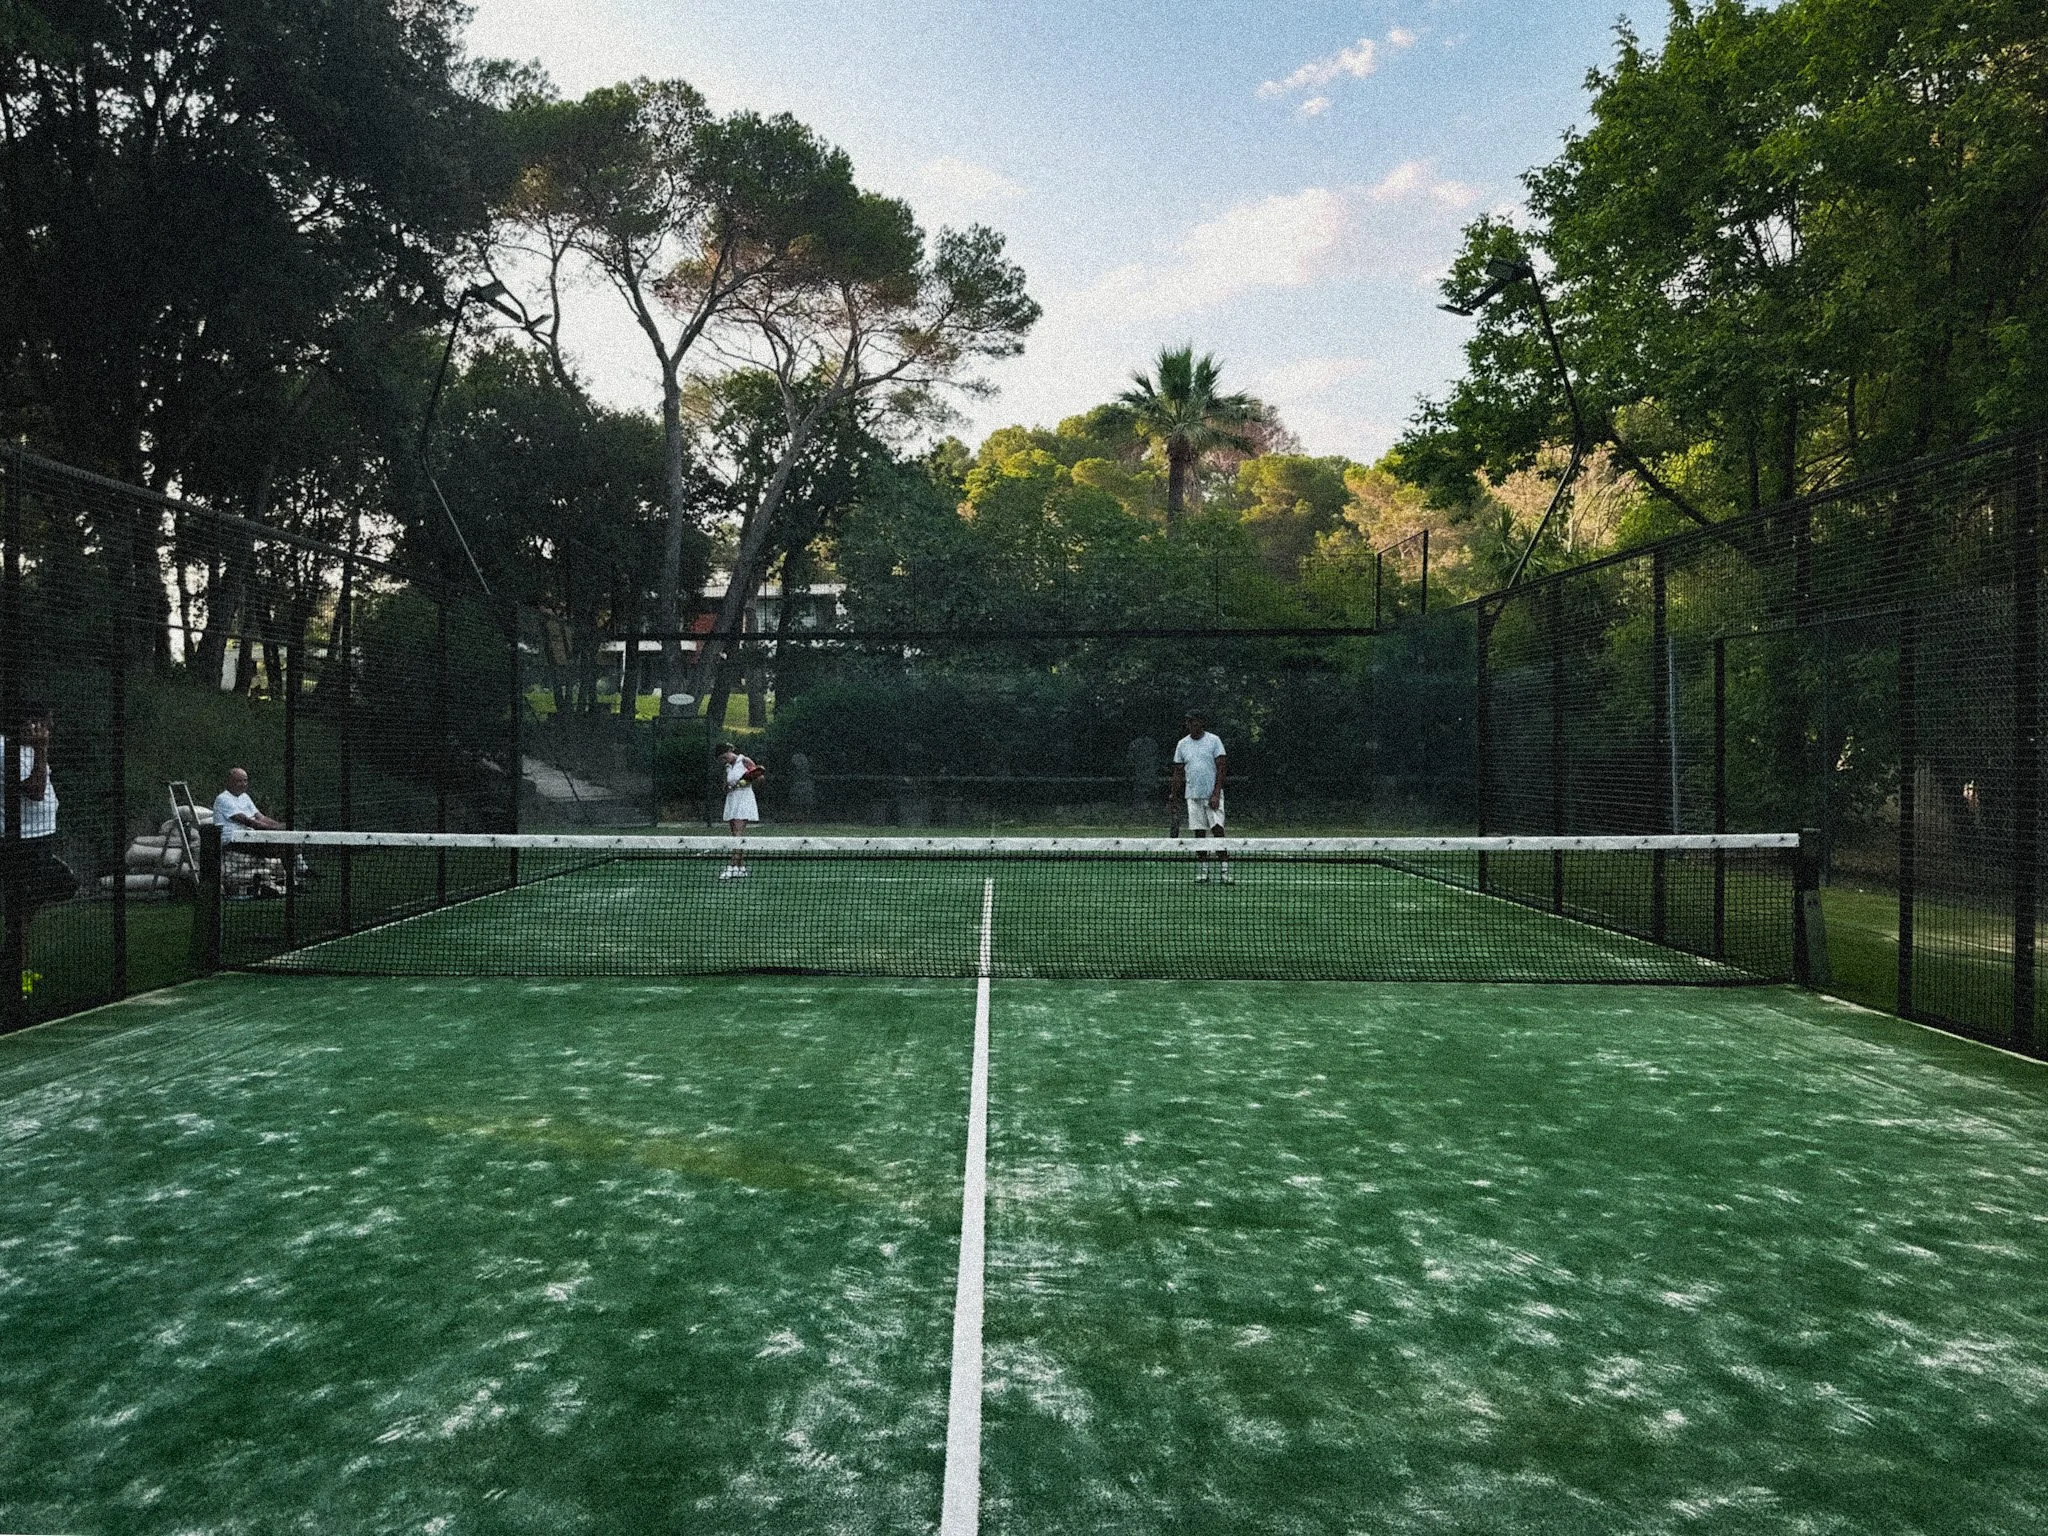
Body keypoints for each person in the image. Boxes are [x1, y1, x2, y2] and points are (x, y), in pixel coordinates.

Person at [0, 702, 78, 966]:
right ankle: (18, 975)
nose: (50, 729)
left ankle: (14, 963)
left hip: (42, 836)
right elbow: (35, 790)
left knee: (41, 897)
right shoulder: (6, 749)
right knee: (26, 904)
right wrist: (42, 750)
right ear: (30, 724)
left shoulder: (26, 749)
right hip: (24, 840)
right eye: (45, 723)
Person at [1169, 711, 1231, 884]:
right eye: (1188, 722)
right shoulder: (1182, 744)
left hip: (1212, 796)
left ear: (1201, 723)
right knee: (1199, 833)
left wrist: (1216, 793)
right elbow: (1178, 771)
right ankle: (1204, 871)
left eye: (1193, 721)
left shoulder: (1214, 741)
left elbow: (1221, 767)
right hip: (1193, 795)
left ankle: (1225, 871)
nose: (1190, 725)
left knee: (1218, 831)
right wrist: (1174, 795)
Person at [213, 767, 288, 898]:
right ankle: (286, 882)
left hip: (249, 837)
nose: (243, 784)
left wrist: (281, 826)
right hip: (233, 841)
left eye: (245, 781)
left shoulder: (245, 797)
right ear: (229, 782)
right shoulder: (223, 799)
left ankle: (291, 881)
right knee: (280, 847)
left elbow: (260, 817)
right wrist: (274, 830)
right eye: (239, 781)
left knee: (288, 845)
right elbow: (247, 821)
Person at [716, 742, 763, 879]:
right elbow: (725, 786)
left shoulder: (745, 760)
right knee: (735, 835)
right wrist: (729, 787)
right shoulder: (728, 767)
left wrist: (747, 781)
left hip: (744, 799)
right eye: (721, 760)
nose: (724, 761)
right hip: (732, 800)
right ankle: (741, 868)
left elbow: (760, 777)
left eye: (725, 757)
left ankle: (731, 867)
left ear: (730, 751)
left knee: (738, 834)